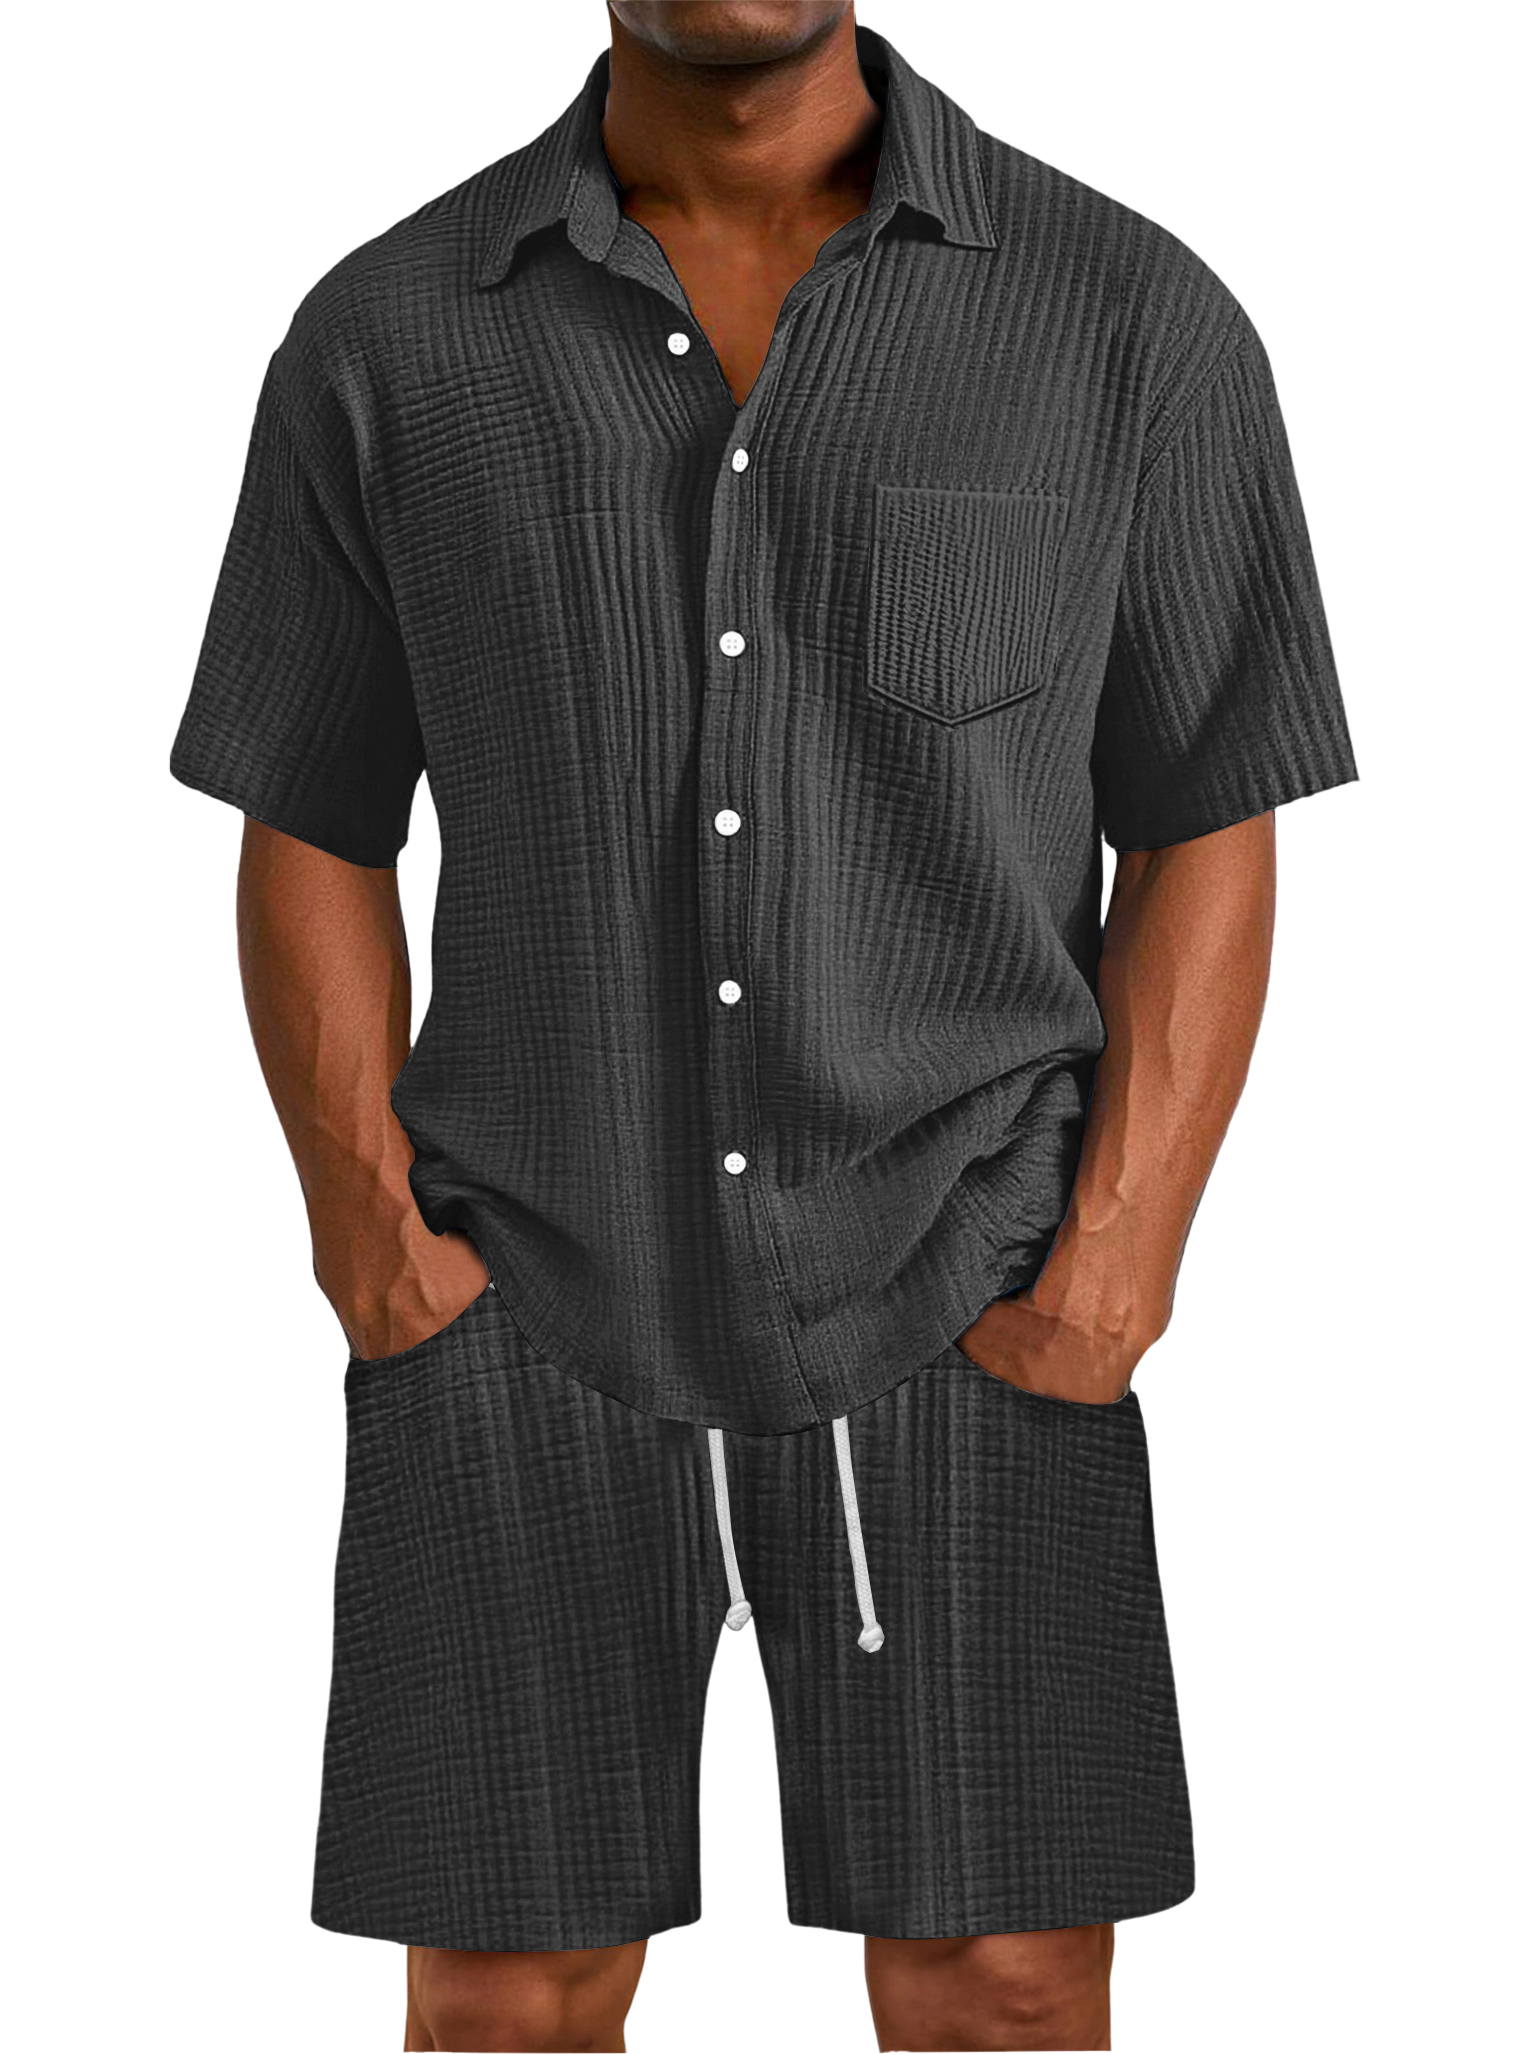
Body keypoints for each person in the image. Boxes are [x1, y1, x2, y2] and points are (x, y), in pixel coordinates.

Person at [171, 4, 1356, 2047]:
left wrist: (1115, 1260)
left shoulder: (1123, 318)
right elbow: (310, 807)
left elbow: (1205, 805)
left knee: (1003, 1988)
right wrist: (372, 1235)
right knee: (503, 2005)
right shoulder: (390, 335)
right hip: (523, 1286)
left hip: (973, 1278)